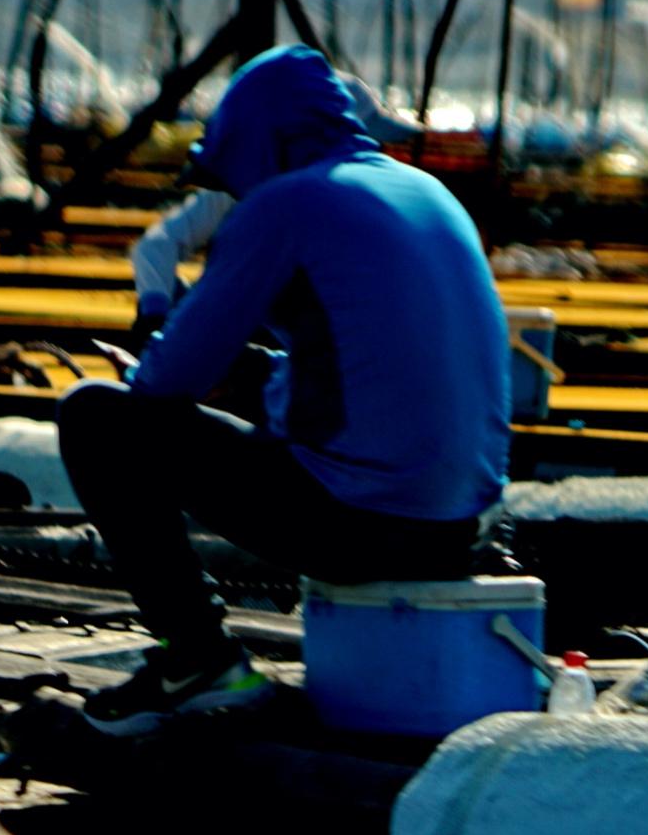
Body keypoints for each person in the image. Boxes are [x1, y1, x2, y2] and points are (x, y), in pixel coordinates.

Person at [59, 44, 511, 732]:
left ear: (258, 147)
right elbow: (357, 375)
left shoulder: (286, 202)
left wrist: (155, 315)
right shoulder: (424, 190)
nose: (233, 194)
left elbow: (163, 384)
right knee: (247, 376)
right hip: (464, 529)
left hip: (365, 527)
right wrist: (243, 372)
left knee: (96, 419)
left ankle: (198, 660)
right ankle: (203, 661)